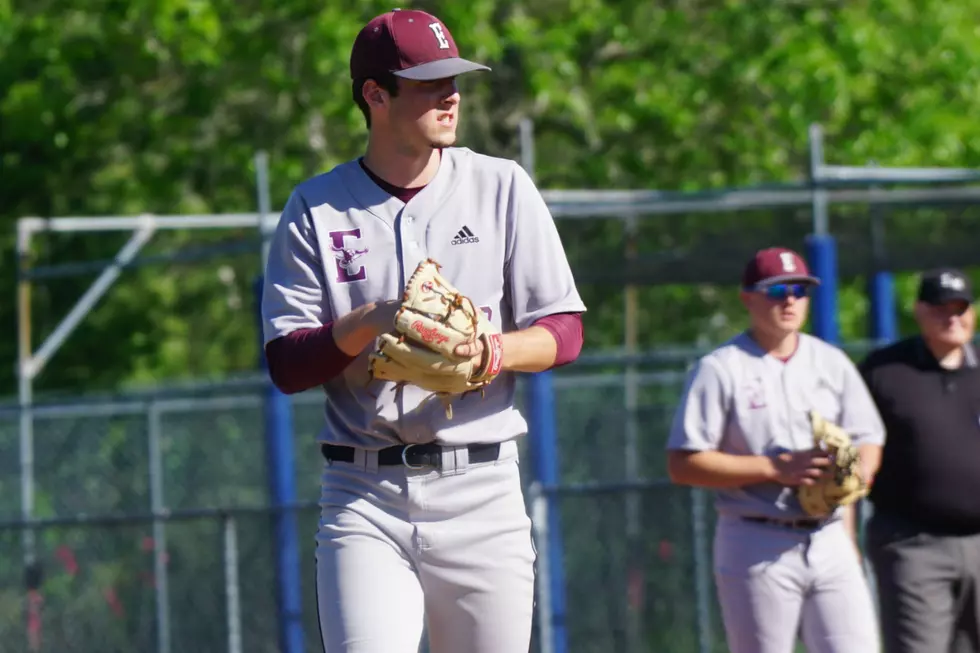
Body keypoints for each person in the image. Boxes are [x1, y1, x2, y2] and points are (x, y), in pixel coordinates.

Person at [259, 8, 587, 653]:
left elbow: (564, 330)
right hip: (364, 493)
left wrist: (490, 351)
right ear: (375, 96)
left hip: (482, 488)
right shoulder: (315, 208)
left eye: (454, 79)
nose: (451, 94)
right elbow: (287, 365)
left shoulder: (501, 186)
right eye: (430, 82)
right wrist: (374, 320)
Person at [665, 246, 886, 653]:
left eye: (799, 290)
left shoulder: (831, 362)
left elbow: (868, 436)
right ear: (747, 297)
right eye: (776, 289)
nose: (789, 299)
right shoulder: (721, 368)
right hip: (755, 538)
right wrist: (772, 468)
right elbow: (683, 463)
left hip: (830, 536)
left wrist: (858, 475)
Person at [859, 267, 980, 653]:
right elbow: (853, 452)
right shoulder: (884, 372)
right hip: (914, 544)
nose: (953, 317)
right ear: (919, 311)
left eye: (961, 307)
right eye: (941, 308)